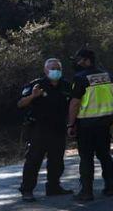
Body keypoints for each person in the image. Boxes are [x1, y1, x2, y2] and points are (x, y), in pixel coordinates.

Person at [17, 58, 75, 202]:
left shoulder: (67, 86)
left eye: (58, 68)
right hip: (39, 129)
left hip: (59, 128)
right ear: (45, 70)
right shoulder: (36, 85)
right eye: (52, 68)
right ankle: (27, 190)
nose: (55, 71)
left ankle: (54, 187)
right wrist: (33, 96)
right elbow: (20, 104)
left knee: (57, 161)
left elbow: (74, 104)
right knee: (33, 160)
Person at [67, 48, 113, 201]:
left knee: (86, 157)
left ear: (86, 60)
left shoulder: (81, 77)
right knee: (105, 155)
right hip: (105, 122)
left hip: (87, 124)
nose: (77, 63)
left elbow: (75, 103)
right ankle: (110, 187)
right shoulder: (108, 75)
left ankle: (87, 191)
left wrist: (71, 124)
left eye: (79, 60)